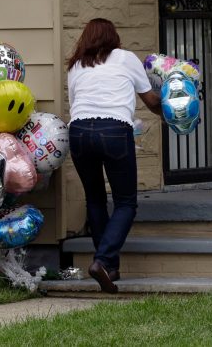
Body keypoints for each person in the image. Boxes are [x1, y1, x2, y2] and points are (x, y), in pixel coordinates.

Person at [67, 18, 161, 293]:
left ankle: (110, 267)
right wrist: (173, 109)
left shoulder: (75, 65)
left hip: (80, 131)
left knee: (95, 199)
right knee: (126, 203)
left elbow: (76, 105)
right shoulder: (125, 58)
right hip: (114, 130)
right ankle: (103, 260)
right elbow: (151, 101)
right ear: (113, 38)